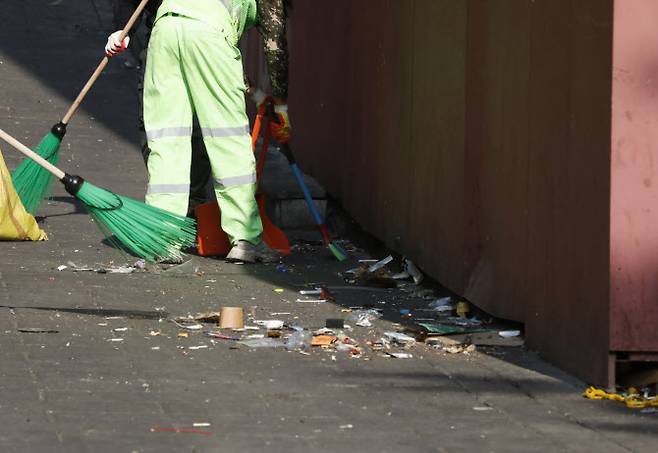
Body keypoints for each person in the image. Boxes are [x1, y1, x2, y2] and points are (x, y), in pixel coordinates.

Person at [106, 0, 292, 263]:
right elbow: (274, 47)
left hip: (165, 31)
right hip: (210, 37)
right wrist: (282, 104)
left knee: (167, 139)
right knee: (228, 139)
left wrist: (123, 29)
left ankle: (161, 238)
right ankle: (246, 239)